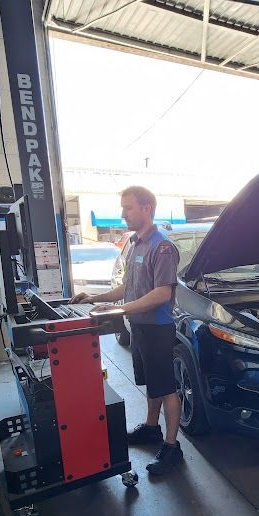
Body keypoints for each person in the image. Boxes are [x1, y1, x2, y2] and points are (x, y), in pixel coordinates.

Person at [71, 186, 183, 477]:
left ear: (146, 208)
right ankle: (150, 428)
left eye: (128, 208)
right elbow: (128, 288)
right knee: (151, 383)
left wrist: (122, 310)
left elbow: (161, 293)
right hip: (141, 327)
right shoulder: (135, 244)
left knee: (167, 388)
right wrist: (93, 298)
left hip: (158, 328)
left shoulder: (162, 247)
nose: (123, 214)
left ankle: (172, 447)